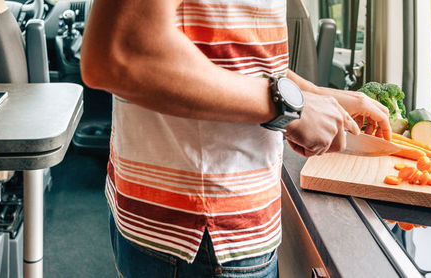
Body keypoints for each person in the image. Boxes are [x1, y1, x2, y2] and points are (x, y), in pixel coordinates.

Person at [81, 0, 393, 277]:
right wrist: (292, 107)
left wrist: (317, 96)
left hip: (203, 225)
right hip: (200, 234)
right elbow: (119, 53)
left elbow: (233, 52)